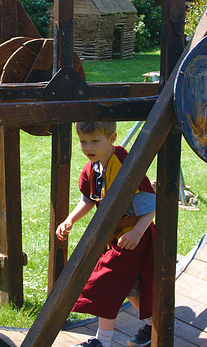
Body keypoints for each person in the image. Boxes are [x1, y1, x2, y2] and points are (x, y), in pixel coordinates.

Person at [56, 121, 156, 347]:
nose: (87, 147)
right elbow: (89, 199)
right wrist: (70, 219)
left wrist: (138, 233)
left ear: (112, 138)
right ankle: (155, 325)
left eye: (94, 141)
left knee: (105, 281)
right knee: (131, 287)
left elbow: (149, 204)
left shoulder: (124, 163)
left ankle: (102, 342)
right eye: (83, 141)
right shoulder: (92, 168)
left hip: (133, 236)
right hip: (114, 238)